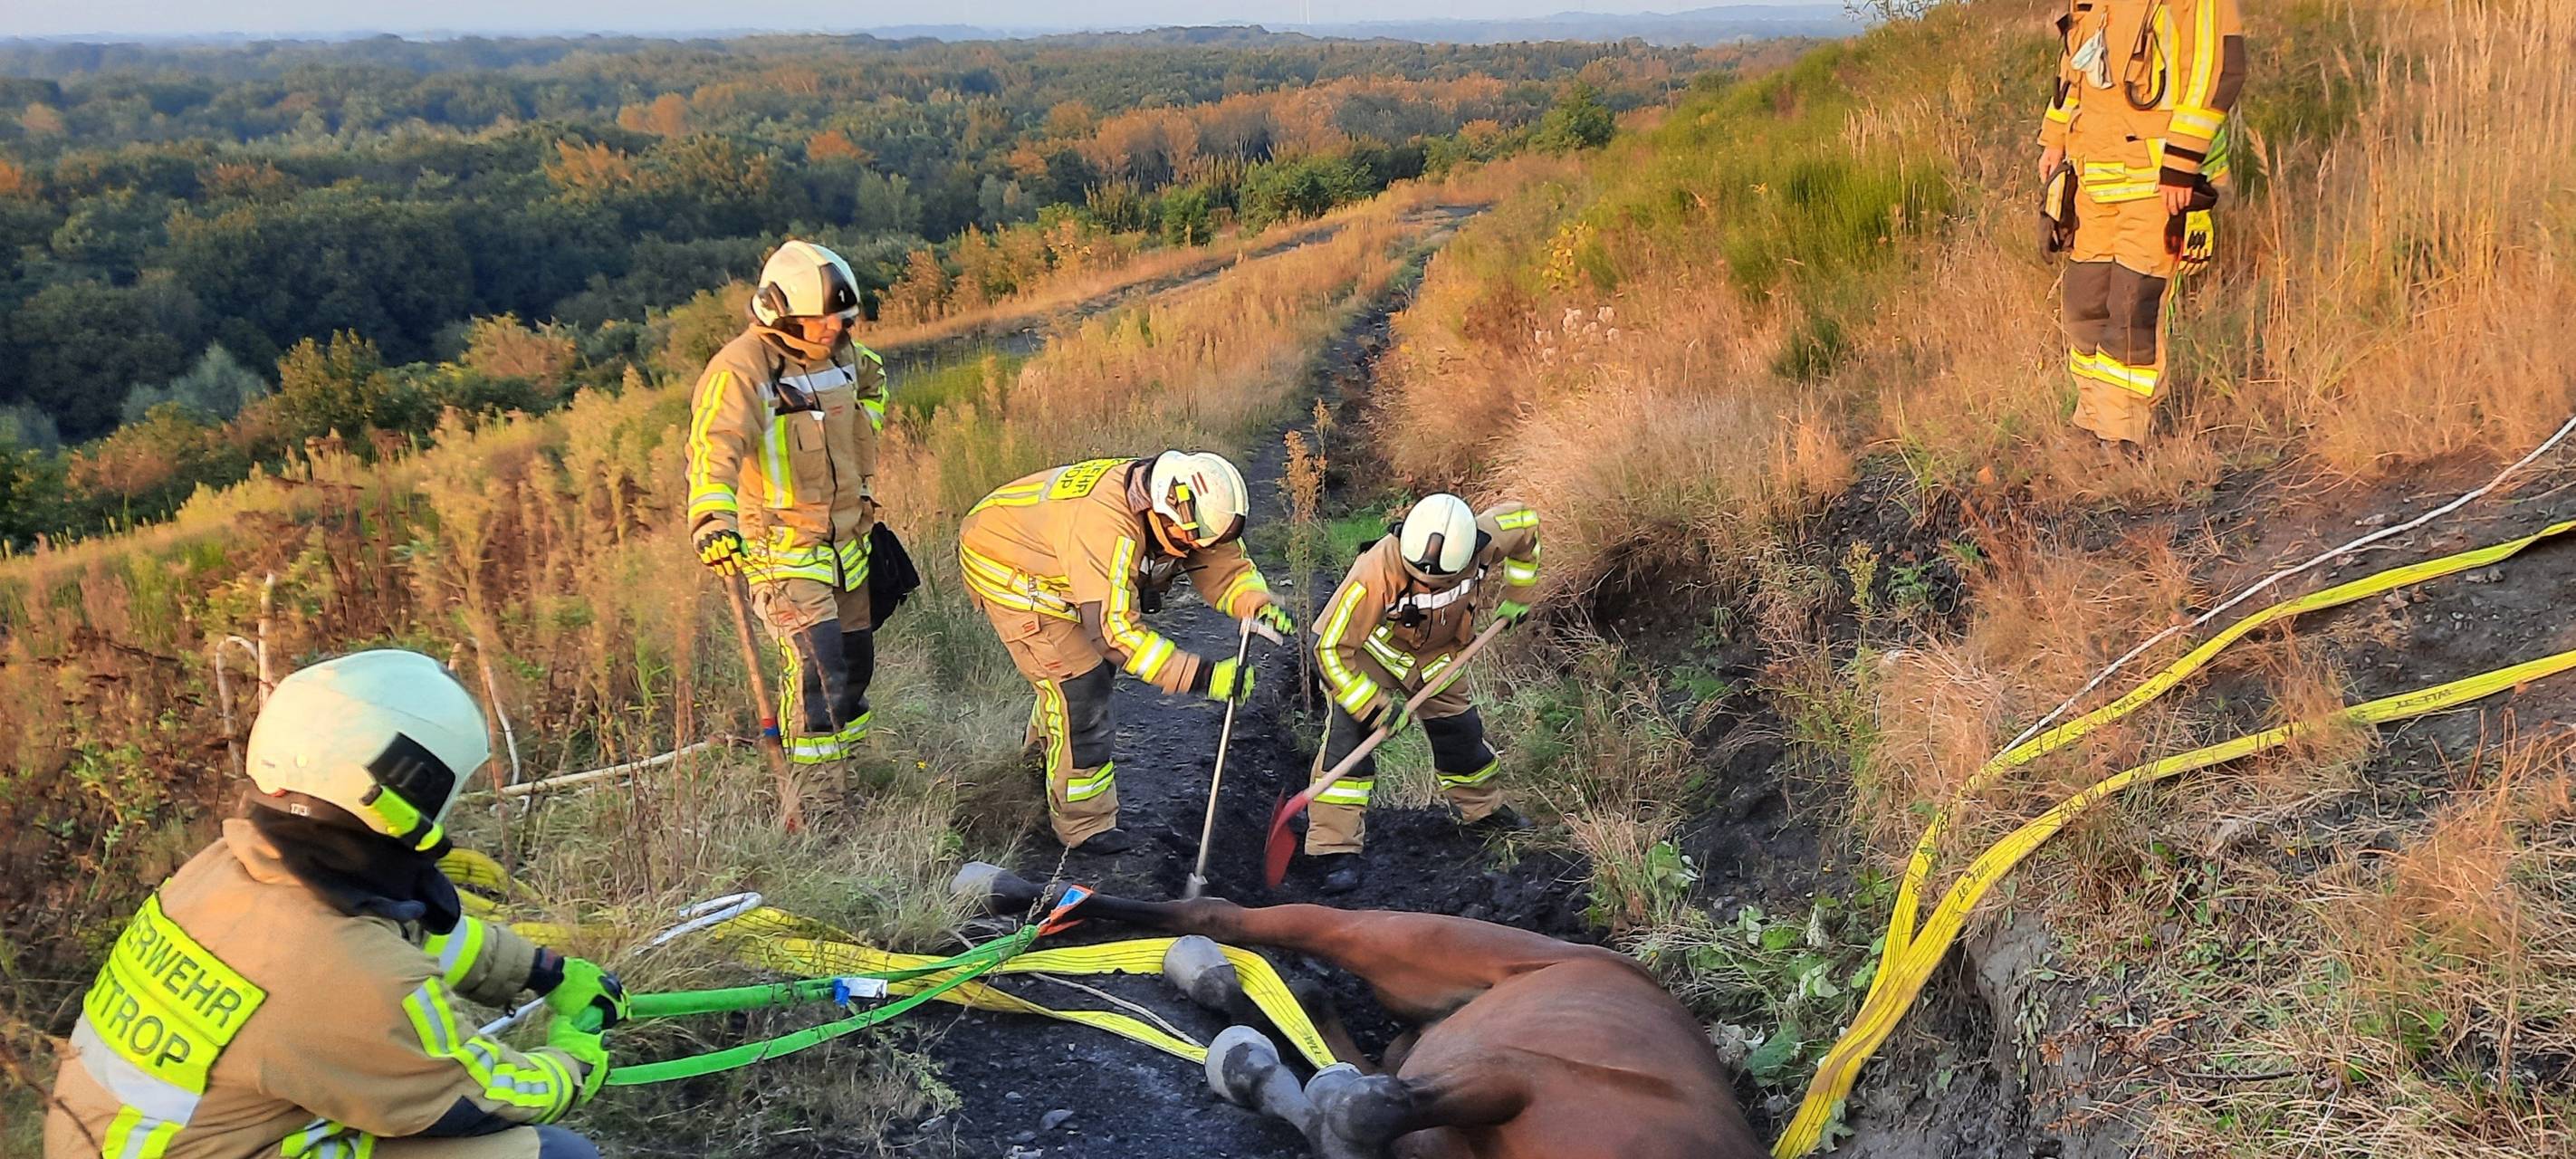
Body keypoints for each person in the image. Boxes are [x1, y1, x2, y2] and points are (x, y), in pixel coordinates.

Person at [46, 650, 627, 1159]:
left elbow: (402, 935)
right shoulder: (347, 974)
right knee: (553, 1154)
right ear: (399, 799)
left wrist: (542, 972)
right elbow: (480, 1098)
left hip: (141, 1136)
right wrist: (575, 1059)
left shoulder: (232, 868)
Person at [957, 452, 1297, 853]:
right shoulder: (1107, 527)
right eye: (1189, 542)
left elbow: (1222, 563)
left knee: (1085, 677)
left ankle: (1039, 768)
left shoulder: (1181, 500)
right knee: (1080, 690)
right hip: (1012, 571)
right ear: (1165, 514)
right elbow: (1113, 632)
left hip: (1059, 558)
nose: (1193, 550)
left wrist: (1255, 601)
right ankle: (1083, 826)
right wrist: (1201, 677)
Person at [686, 240, 889, 800]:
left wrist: (860, 434)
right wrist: (712, 520)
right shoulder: (740, 370)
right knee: (817, 675)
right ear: (779, 312)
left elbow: (872, 384)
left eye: (841, 320)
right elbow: (715, 449)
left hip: (850, 543)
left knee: (855, 668)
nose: (832, 332)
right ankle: (818, 802)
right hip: (783, 550)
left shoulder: (847, 355)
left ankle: (849, 776)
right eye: (820, 322)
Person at [1303, 493, 1540, 894]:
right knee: (1348, 748)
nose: (1428, 585)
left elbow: (1526, 522)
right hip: (1372, 661)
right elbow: (1326, 648)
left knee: (1461, 738)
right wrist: (1374, 707)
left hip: (1439, 663)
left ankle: (1482, 812)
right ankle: (1332, 848)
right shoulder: (1375, 571)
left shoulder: (1487, 536)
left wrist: (1519, 595)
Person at [2038, 0, 2246, 445]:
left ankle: (2123, 434)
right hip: (2093, 181)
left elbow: (2215, 70)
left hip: (2159, 185)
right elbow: (2072, 73)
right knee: (2084, 305)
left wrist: (2183, 162)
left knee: (2133, 309)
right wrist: (2053, 140)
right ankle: (2092, 420)